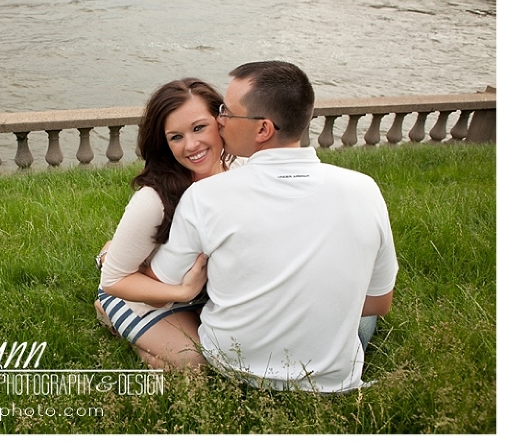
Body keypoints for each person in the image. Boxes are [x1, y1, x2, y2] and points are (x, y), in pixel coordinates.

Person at [140, 61, 398, 392]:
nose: (219, 120)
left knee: (127, 301)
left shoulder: (205, 196)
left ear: (263, 129)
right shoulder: (365, 189)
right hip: (332, 379)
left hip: (234, 367)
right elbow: (379, 303)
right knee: (360, 316)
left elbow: (159, 286)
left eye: (227, 112)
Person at [95, 78, 237, 369]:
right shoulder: (153, 199)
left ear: (220, 121)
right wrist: (182, 293)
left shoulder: (240, 169)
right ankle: (110, 311)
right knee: (195, 363)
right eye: (176, 137)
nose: (191, 145)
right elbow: (115, 281)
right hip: (146, 296)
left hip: (206, 292)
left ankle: (111, 252)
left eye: (199, 128)